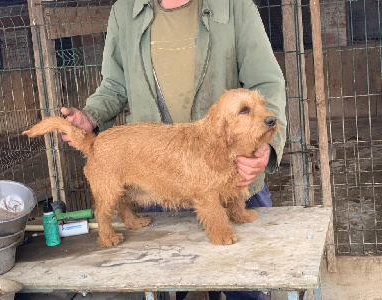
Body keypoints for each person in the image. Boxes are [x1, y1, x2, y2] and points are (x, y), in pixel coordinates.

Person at [60, 0, 286, 299]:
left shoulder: (234, 6)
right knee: (175, 282)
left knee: (247, 283)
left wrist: (266, 146)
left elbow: (266, 84)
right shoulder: (125, 11)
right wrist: (92, 115)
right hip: (160, 178)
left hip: (234, 170)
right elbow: (114, 86)